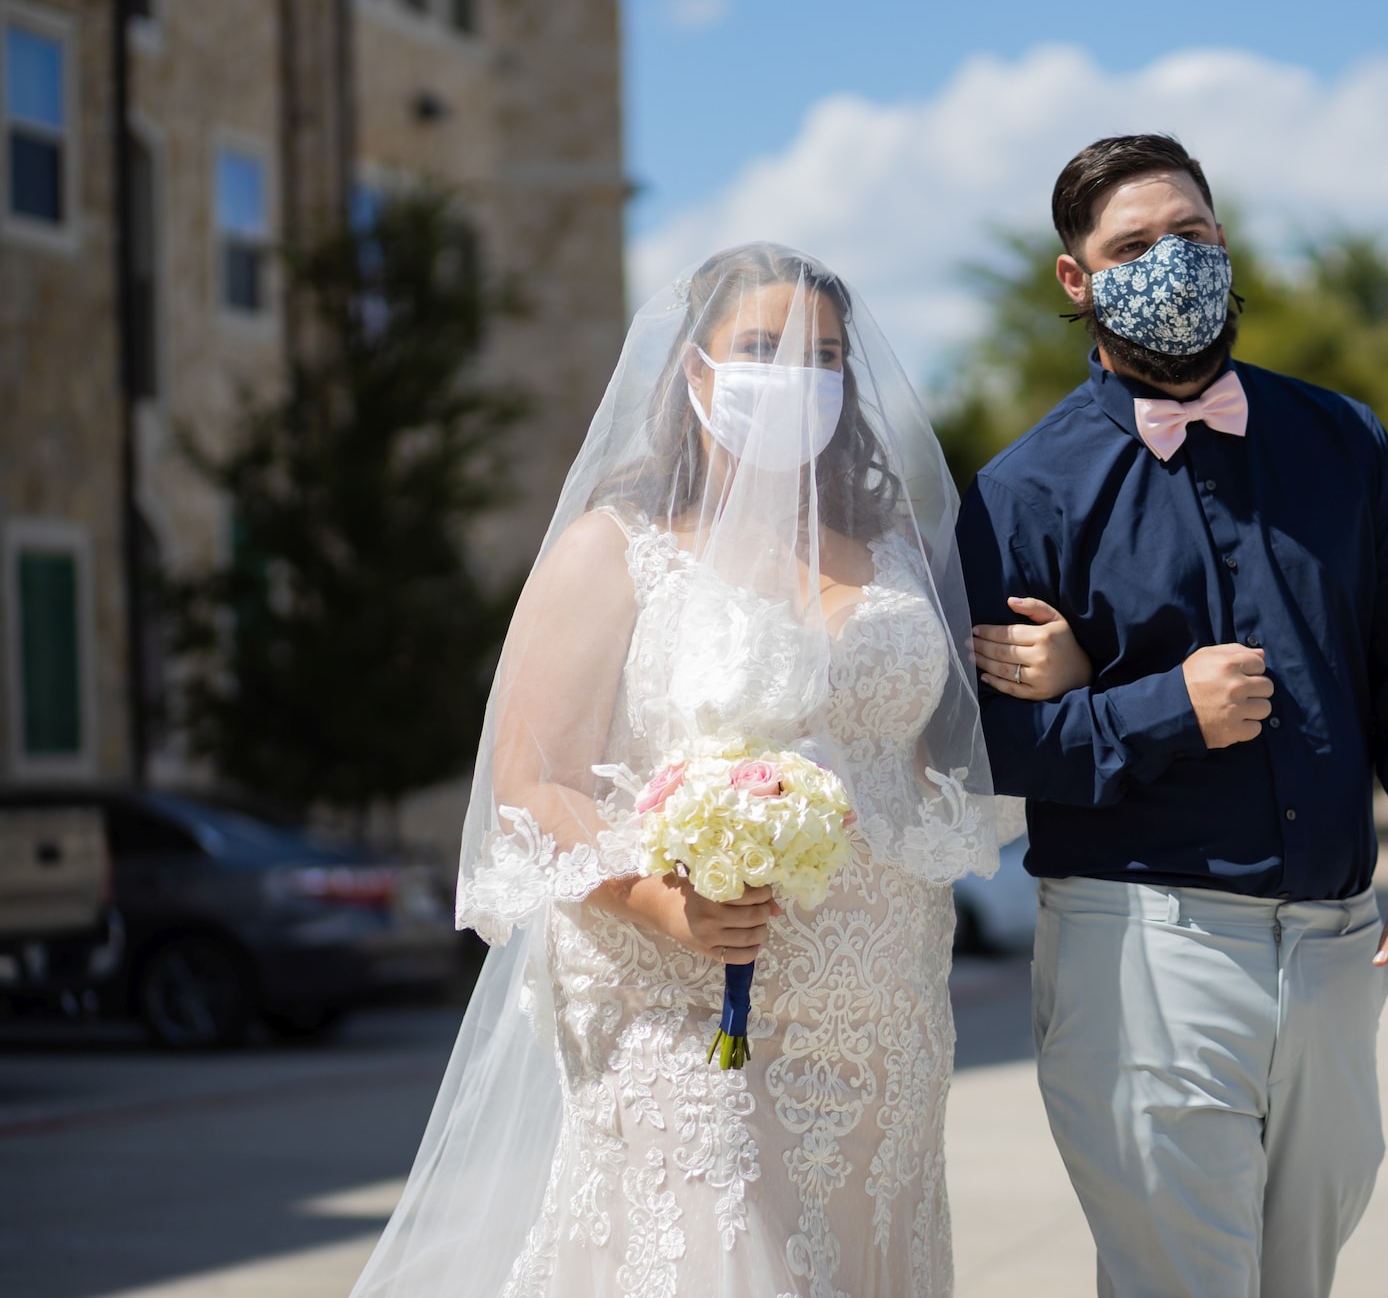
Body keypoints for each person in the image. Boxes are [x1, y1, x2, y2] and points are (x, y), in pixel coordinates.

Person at [351, 243, 1083, 1298]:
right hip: (685, 1009)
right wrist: (658, 900)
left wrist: (1054, 673)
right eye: (763, 348)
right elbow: (533, 782)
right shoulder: (614, 549)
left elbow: (949, 752)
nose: (796, 377)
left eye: (822, 357)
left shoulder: (898, 554)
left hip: (881, 1011)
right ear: (695, 369)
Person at [957, 135, 1388, 1298]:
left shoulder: (1344, 442)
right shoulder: (1020, 493)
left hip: (1336, 941)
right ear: (1075, 280)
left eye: (1190, 234)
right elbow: (985, 746)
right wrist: (1163, 708)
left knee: (1296, 1278)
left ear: (1225, 243)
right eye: (1132, 246)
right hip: (1140, 940)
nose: (1170, 260)